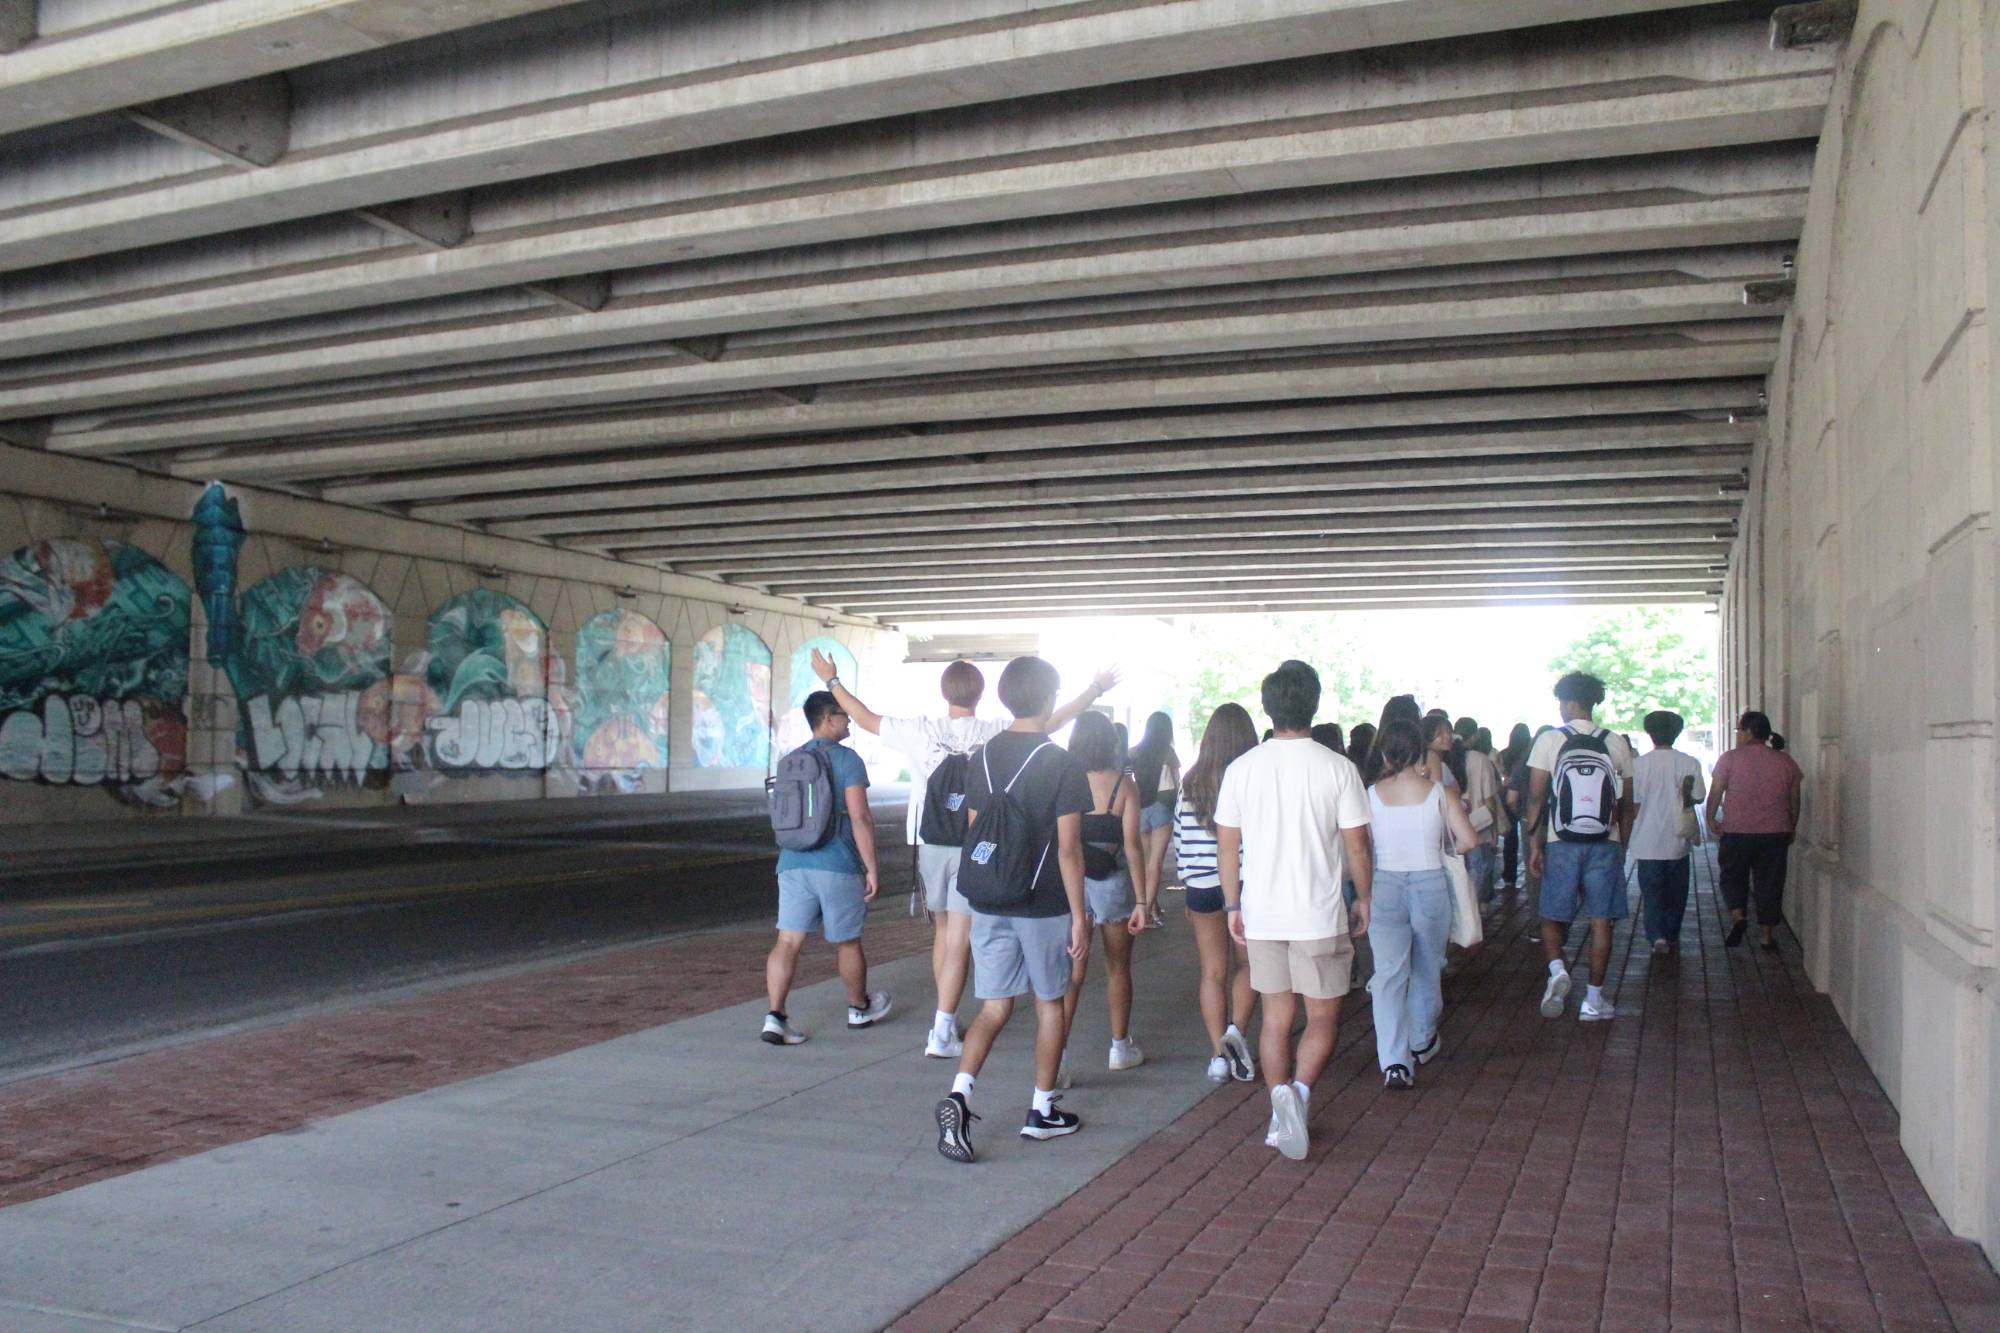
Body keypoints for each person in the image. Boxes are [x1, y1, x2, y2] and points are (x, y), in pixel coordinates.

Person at [812, 649, 1112, 1059]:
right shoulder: (995, 729)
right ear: (982, 693)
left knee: (944, 932)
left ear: (944, 691)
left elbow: (864, 717)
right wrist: (1093, 689)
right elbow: (1052, 720)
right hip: (980, 848)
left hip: (931, 843)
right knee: (961, 936)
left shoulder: (920, 729)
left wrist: (832, 681)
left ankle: (946, 1021)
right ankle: (941, 1028)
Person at [934, 657, 1094, 1164]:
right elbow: (1070, 849)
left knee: (994, 1007)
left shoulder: (983, 754)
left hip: (990, 898)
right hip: (1043, 903)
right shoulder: (1060, 761)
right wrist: (1080, 915)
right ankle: (1042, 1111)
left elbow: (979, 827)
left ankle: (959, 1094)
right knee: (1049, 1003)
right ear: (1050, 698)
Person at [1216, 660, 1372, 1161]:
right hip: (1319, 914)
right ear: (1315, 704)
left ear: (1268, 706)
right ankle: (1299, 1095)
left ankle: (1275, 1109)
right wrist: (1364, 897)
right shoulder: (1338, 769)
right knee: (1323, 1016)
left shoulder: (1242, 769)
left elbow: (1226, 847)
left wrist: (1232, 904)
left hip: (1261, 913)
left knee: (1276, 1017)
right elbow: (1358, 849)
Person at [762, 691, 891, 1044]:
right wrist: (872, 867)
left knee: (787, 941)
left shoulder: (791, 759)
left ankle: (775, 1016)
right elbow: (861, 817)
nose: (849, 720)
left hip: (791, 863)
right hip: (837, 863)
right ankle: (857, 1008)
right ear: (828, 719)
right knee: (847, 941)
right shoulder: (848, 760)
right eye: (844, 715)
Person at [1366, 719, 1480, 1088]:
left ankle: (1394, 1062)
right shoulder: (1440, 793)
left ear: (1385, 752)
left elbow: (1362, 848)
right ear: (1420, 751)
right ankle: (1422, 1040)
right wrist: (1442, 849)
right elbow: (1468, 841)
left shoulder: (1370, 795)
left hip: (1385, 884)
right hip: (1430, 882)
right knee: (1427, 967)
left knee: (1388, 976)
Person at [1524, 673, 1635, 1023]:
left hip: (1562, 840)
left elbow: (1537, 796)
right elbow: (1627, 803)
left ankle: (1557, 969)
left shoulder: (1550, 740)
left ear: (1568, 703)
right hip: (1606, 841)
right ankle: (1593, 1001)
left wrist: (1534, 842)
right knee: (1602, 920)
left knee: (1552, 915)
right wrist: (1622, 844)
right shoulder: (1616, 742)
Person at [1173, 702, 1260, 1084]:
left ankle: (1218, 1057)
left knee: (1212, 972)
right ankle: (1236, 1032)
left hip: (1200, 888)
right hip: (1243, 885)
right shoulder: (1252, 779)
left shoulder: (1189, 783)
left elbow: (1180, 839)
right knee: (1251, 966)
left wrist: (1188, 880)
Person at [1064, 712, 1148, 1078]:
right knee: (1117, 967)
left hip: (1072, 885)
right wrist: (1143, 901)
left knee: (1071, 972)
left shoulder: (1066, 781)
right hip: (1112, 883)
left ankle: (1059, 1055)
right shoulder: (1124, 785)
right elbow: (1132, 846)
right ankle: (1119, 1047)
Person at [1705, 711, 1803, 951]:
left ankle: (1739, 917)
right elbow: (1795, 799)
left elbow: (1716, 791)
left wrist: (1710, 817)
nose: (1738, 735)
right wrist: (1792, 825)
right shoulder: (1785, 761)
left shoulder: (1730, 759)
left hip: (1737, 831)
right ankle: (1766, 936)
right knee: (1770, 882)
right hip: (1775, 832)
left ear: (1749, 732)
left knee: (1732, 876)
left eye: (1739, 731)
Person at [1627, 710, 1707, 955]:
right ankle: (1671, 933)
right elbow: (1699, 796)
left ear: (1650, 734)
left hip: (1646, 840)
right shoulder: (1689, 762)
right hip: (1677, 839)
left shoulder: (1638, 764)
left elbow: (1633, 801)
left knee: (1651, 892)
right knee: (1676, 892)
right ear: (1677, 733)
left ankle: (1656, 936)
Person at [1129, 712, 1180, 929]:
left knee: (1144, 861)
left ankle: (1150, 905)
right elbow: (1177, 782)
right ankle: (1148, 912)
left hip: (1139, 807)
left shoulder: (1134, 752)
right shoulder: (1169, 752)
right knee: (1155, 863)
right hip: (1162, 806)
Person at [1461, 725, 1505, 904]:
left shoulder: (1443, 759)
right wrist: (1494, 827)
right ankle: (1475, 906)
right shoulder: (1480, 759)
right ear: (1474, 737)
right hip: (1479, 822)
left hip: (1453, 823)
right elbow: (1489, 798)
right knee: (1481, 866)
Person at [1498, 722, 1533, 891]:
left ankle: (1509, 877)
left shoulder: (1505, 753)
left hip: (1509, 796)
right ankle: (1532, 872)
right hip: (1527, 798)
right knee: (1530, 837)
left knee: (1510, 839)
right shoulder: (1531, 754)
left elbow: (1503, 776)